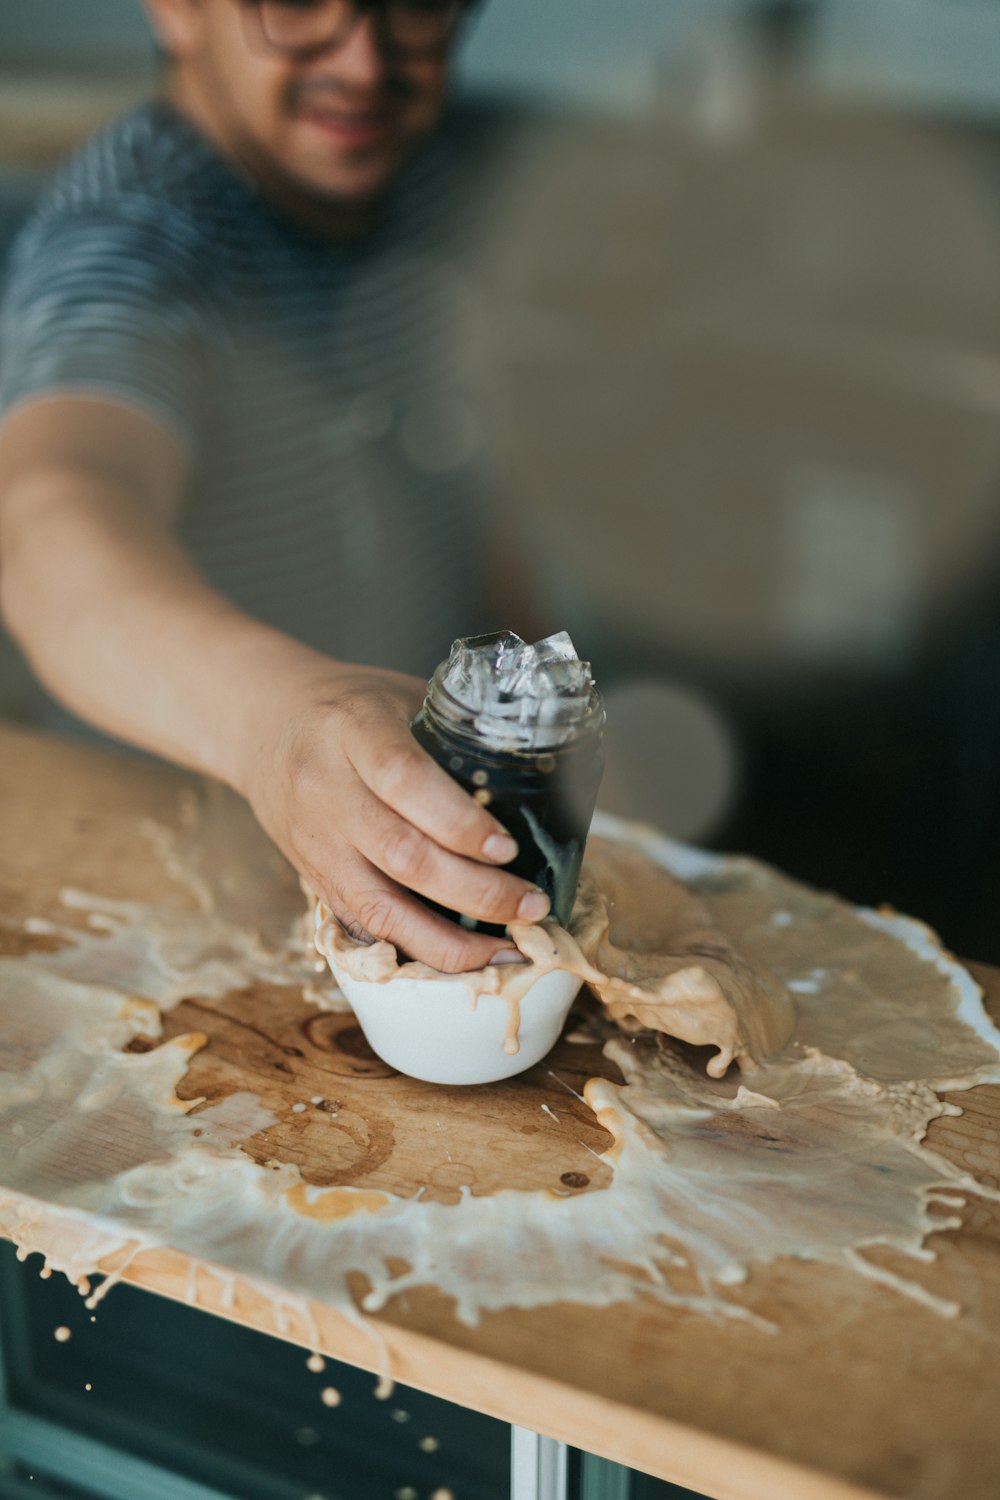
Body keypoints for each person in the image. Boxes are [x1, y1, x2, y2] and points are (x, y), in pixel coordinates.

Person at [0, 0, 553, 973]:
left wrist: (548, 729)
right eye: (296, 4)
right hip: (171, 904)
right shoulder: (138, 233)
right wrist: (275, 724)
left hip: (430, 853)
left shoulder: (429, 187)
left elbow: (475, 488)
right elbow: (50, 516)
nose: (364, 62)